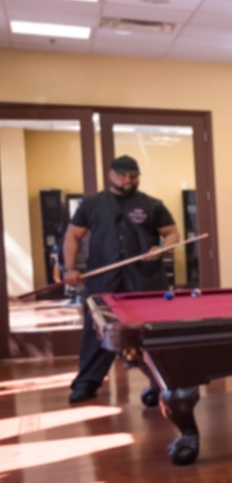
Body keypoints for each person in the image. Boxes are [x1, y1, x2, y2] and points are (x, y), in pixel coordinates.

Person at [63, 156, 179, 404]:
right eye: (123, 175)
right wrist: (70, 268)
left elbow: (172, 233)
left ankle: (159, 382)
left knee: (151, 333)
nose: (128, 180)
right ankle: (86, 383)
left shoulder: (152, 204)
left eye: (133, 176)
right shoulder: (92, 204)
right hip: (103, 278)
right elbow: (73, 235)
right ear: (111, 175)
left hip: (145, 279)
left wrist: (162, 248)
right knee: (97, 331)